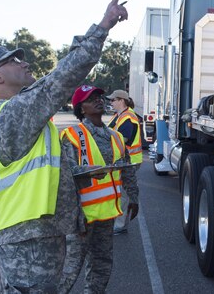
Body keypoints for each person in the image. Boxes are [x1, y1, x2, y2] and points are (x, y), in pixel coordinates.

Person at [0, 0, 128, 293]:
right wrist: (102, 27)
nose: (23, 63)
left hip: (32, 237)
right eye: (13, 60)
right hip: (27, 241)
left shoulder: (16, 112)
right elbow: (61, 79)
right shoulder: (14, 113)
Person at [58, 85, 139, 293]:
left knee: (102, 264)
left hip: (105, 215)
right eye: (90, 98)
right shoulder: (73, 136)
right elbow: (65, 177)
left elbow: (126, 169)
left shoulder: (115, 136)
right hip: (81, 216)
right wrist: (73, 215)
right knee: (70, 269)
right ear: (81, 108)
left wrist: (134, 198)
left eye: (99, 97)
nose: (98, 100)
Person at [107, 89, 142, 234]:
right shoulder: (119, 116)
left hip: (129, 161)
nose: (111, 103)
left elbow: (124, 139)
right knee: (119, 192)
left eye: (113, 100)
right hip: (122, 161)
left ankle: (121, 225)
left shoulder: (128, 118)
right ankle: (118, 222)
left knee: (123, 194)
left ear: (121, 100)